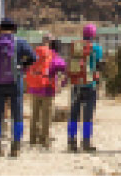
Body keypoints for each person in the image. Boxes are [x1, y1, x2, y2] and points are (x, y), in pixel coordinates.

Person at [0, 18, 36, 157]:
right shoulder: (20, 42)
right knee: (17, 115)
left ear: (0, 28)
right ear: (14, 29)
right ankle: (16, 147)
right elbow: (33, 57)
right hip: (15, 82)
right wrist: (22, 66)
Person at [67, 24, 104, 153]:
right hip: (90, 86)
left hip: (76, 85)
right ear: (94, 35)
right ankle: (86, 142)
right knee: (87, 116)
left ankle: (71, 141)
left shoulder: (76, 47)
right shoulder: (97, 49)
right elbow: (99, 67)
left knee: (73, 115)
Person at [24, 37, 59, 148]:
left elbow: (26, 67)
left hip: (34, 87)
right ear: (49, 43)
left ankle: (33, 138)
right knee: (46, 114)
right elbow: (60, 67)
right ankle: (44, 139)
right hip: (47, 88)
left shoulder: (34, 52)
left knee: (34, 113)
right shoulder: (52, 54)